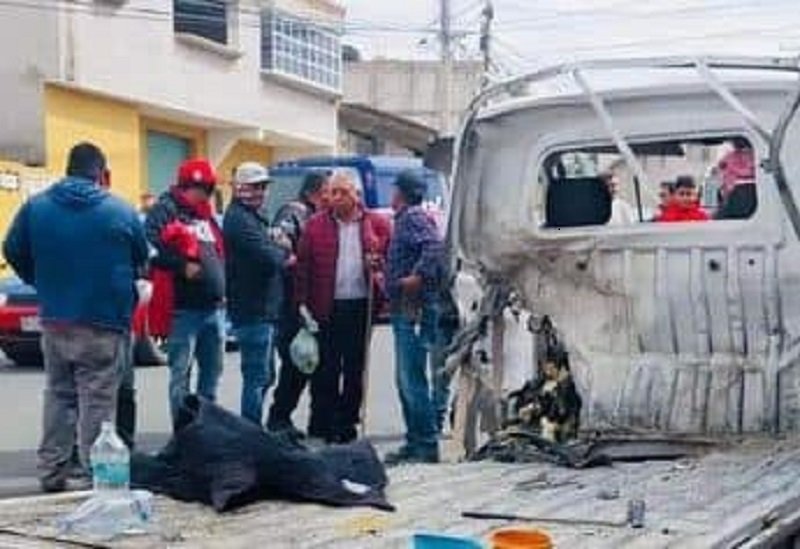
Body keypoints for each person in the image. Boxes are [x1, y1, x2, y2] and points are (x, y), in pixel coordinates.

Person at [3, 143, 148, 492]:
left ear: (68, 169)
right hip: (104, 322)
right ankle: (94, 476)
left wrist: (41, 280)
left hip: (55, 319)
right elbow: (141, 259)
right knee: (97, 399)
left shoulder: (36, 207)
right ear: (101, 174)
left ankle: (52, 471)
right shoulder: (120, 211)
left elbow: (12, 249)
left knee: (59, 394)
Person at [294, 174, 390, 443]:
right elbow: (303, 267)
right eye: (332, 192)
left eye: (342, 192)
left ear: (356, 195)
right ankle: (322, 425)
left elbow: (388, 262)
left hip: (360, 305)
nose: (335, 198)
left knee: (354, 370)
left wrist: (378, 267)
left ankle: (347, 425)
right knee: (326, 369)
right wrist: (301, 304)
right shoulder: (315, 225)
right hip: (326, 306)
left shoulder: (376, 223)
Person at [145, 158, 225, 428]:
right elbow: (149, 248)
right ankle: (183, 433)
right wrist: (181, 266)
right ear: (186, 187)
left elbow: (218, 251)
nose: (205, 195)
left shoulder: (206, 215)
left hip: (213, 308)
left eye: (208, 190)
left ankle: (206, 429)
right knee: (181, 376)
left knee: (212, 374)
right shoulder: (165, 210)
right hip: (184, 310)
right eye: (201, 189)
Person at [384, 171, 444, 465]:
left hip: (414, 308)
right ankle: (414, 440)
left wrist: (418, 276)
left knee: (411, 379)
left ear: (401, 193)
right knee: (404, 379)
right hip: (403, 308)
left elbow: (434, 246)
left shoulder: (413, 217)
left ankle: (425, 444)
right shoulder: (405, 219)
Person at [266, 172, 331, 436]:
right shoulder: (293, 213)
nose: (331, 197)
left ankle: (319, 424)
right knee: (296, 364)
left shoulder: (322, 217)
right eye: (327, 191)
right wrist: (296, 265)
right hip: (293, 306)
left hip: (318, 305)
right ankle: (279, 419)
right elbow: (281, 250)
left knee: (319, 367)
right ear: (313, 192)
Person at [224, 163, 288, 424]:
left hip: (263, 309)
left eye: (263, 187)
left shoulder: (254, 217)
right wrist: (282, 249)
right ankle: (250, 430)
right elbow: (269, 258)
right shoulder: (239, 220)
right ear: (240, 188)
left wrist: (277, 247)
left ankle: (251, 428)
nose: (260, 192)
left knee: (265, 376)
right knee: (256, 377)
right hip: (252, 310)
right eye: (254, 187)